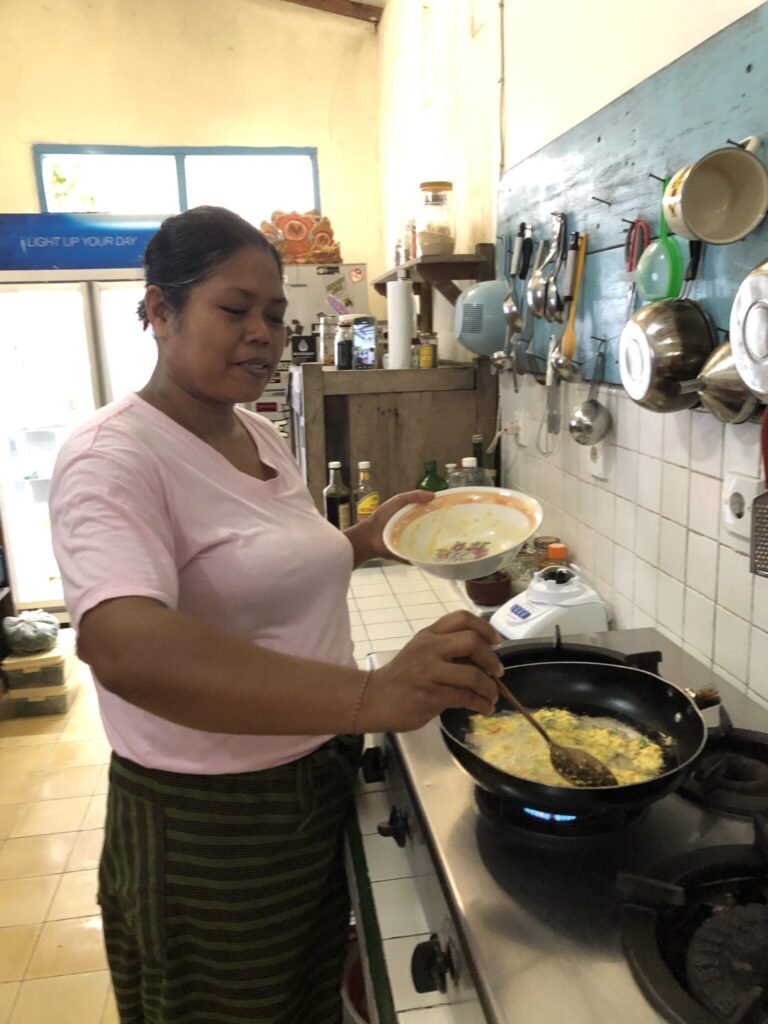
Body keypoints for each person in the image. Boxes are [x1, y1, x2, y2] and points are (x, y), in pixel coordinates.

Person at [49, 206, 501, 1024]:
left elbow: (257, 568)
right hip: (208, 824)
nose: (260, 333)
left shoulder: (253, 434)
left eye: (274, 314)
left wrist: (369, 539)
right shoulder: (112, 456)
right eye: (234, 309)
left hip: (309, 784)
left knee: (304, 1001)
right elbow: (125, 648)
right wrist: (372, 696)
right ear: (158, 310)